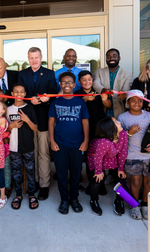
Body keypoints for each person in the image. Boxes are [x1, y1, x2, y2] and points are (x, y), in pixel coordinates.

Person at [18, 47, 58, 201]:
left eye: (36, 57)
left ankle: (44, 185)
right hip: (27, 119)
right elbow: (19, 93)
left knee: (43, 154)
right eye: (31, 58)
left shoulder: (49, 73)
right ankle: (33, 182)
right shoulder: (22, 74)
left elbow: (53, 92)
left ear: (41, 57)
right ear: (28, 58)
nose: (34, 61)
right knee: (30, 154)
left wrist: (47, 98)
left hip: (43, 119)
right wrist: (29, 98)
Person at [118, 90, 150, 220]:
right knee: (135, 181)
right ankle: (135, 205)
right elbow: (118, 138)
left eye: (140, 100)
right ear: (128, 102)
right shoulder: (122, 117)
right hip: (132, 155)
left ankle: (145, 205)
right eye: (133, 100)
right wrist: (129, 133)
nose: (137, 103)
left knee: (149, 182)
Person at [48, 72, 89, 215]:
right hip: (59, 144)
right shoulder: (56, 101)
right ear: (60, 84)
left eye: (69, 82)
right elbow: (51, 122)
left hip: (77, 144)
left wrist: (85, 140)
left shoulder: (80, 101)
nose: (67, 85)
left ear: (74, 84)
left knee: (76, 174)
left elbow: (85, 122)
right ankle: (64, 200)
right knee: (61, 174)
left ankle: (74, 199)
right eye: (63, 82)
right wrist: (52, 141)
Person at [86, 117, 128, 216]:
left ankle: (119, 201)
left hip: (111, 158)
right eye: (116, 122)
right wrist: (98, 172)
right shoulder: (103, 142)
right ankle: (93, 200)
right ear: (111, 128)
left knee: (120, 179)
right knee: (97, 180)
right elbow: (98, 158)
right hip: (96, 160)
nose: (119, 122)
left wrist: (121, 169)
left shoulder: (123, 134)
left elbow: (122, 152)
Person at [7, 83, 39, 210]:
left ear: (25, 94)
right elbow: (4, 128)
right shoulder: (8, 109)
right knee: (16, 172)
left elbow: (35, 128)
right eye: (16, 92)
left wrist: (27, 120)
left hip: (28, 146)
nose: (19, 94)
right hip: (14, 147)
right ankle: (18, 195)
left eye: (22, 92)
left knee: (31, 171)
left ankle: (31, 194)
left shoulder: (30, 109)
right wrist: (11, 126)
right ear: (12, 94)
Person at [93, 48, 133, 118]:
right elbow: (95, 84)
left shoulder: (128, 74)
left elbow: (126, 90)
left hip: (120, 111)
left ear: (119, 58)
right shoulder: (99, 71)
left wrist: (123, 95)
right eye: (109, 56)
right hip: (102, 111)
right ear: (106, 58)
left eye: (114, 56)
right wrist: (103, 90)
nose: (111, 58)